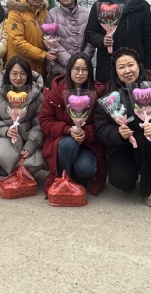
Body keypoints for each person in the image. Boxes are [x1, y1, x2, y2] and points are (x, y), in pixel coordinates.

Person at [94, 48, 151, 207]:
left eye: (130, 65)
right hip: (122, 147)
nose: (127, 70)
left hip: (149, 143)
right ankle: (132, 173)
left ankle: (149, 186)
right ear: (116, 71)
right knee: (122, 180)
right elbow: (101, 125)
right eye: (121, 67)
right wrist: (117, 133)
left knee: (144, 142)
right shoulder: (109, 92)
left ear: (138, 65)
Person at [38, 51, 107, 195]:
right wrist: (68, 130)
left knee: (86, 168)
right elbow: (45, 121)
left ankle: (77, 178)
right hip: (62, 141)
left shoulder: (97, 92)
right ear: (69, 70)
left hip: (88, 144)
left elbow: (102, 124)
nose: (80, 73)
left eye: (84, 69)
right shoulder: (57, 91)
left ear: (90, 71)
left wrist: (85, 133)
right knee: (68, 144)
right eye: (76, 69)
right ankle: (63, 178)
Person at [84, 0, 151, 84]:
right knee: (109, 95)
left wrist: (149, 67)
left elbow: (149, 38)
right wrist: (102, 40)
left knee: (134, 95)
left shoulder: (142, 6)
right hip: (107, 64)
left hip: (134, 65)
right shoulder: (101, 5)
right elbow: (90, 32)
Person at [0, 55, 47, 181]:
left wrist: (31, 145)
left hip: (28, 138)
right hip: (6, 138)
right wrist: (5, 131)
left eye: (22, 74)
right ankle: (12, 169)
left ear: (28, 75)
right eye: (14, 73)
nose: (18, 78)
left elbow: (39, 122)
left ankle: (15, 171)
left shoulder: (37, 94)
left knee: (37, 161)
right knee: (0, 152)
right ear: (8, 74)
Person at [45, 0, 95, 77]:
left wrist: (83, 60)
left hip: (82, 70)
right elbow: (51, 40)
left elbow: (91, 41)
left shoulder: (87, 14)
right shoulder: (51, 14)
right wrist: (70, 62)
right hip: (59, 71)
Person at [4, 0, 51, 76]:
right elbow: (17, 41)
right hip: (19, 68)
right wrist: (42, 55)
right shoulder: (15, 12)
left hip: (40, 67)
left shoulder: (44, 13)